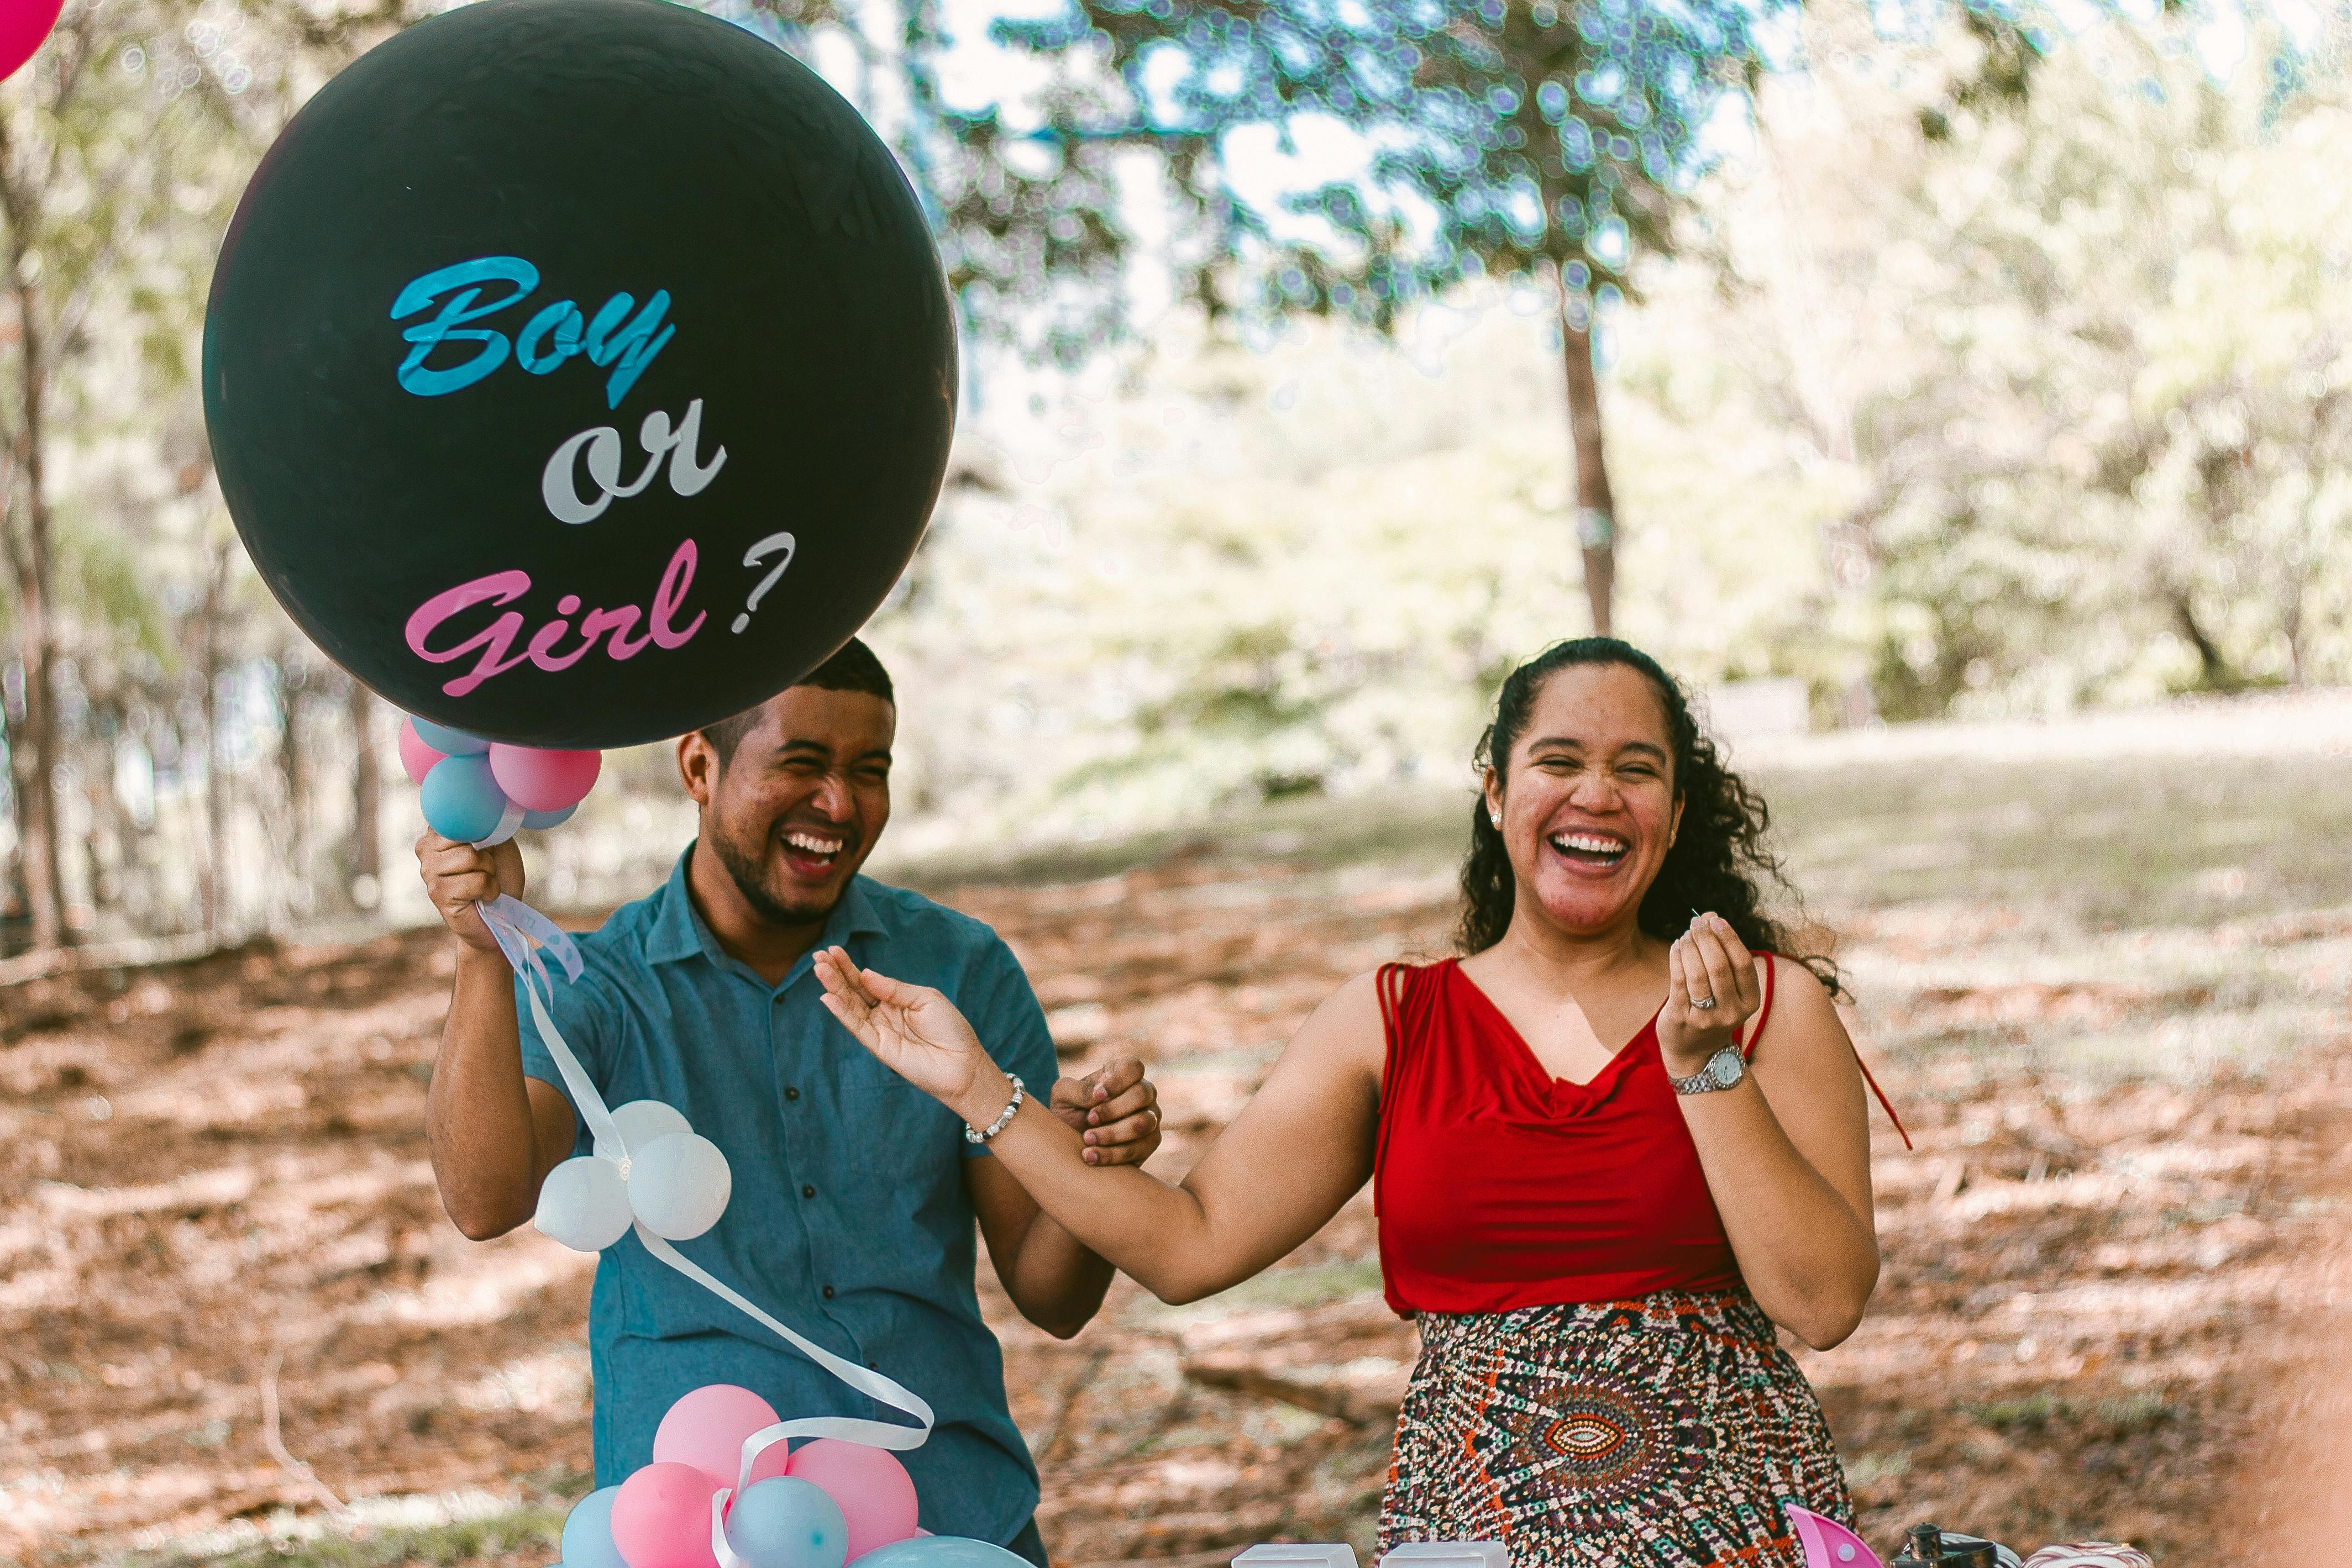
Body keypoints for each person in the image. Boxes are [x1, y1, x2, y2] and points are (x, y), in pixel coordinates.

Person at [813, 636, 1894, 1567]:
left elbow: (1823, 1302)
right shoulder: (1394, 1019)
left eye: (1636, 769)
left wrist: (1704, 1067)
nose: (1596, 796)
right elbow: (1187, 1247)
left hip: (1731, 1524)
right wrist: (979, 1089)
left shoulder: (1767, 1006)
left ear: (1675, 806)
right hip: (1471, 1534)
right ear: (1494, 789)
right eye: (1557, 761)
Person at [415, 639, 1163, 1566]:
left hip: (950, 1513)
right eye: (802, 764)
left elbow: (1052, 1295)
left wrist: (1094, 1159)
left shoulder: (960, 969)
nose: (840, 805)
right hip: (701, 1527)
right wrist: (484, 953)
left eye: (869, 771)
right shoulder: (599, 987)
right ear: (700, 764)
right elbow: (485, 1201)